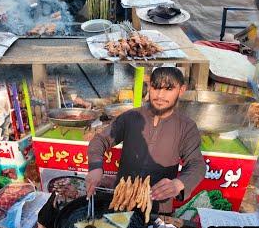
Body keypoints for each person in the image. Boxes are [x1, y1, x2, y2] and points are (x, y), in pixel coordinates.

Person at [85, 67, 206, 215]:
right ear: (149, 87)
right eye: (156, 88)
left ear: (181, 90)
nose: (160, 95)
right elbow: (100, 140)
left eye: (168, 89)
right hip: (122, 199)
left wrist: (179, 183)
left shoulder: (186, 127)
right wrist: (96, 167)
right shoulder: (131, 117)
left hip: (158, 205)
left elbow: (197, 164)